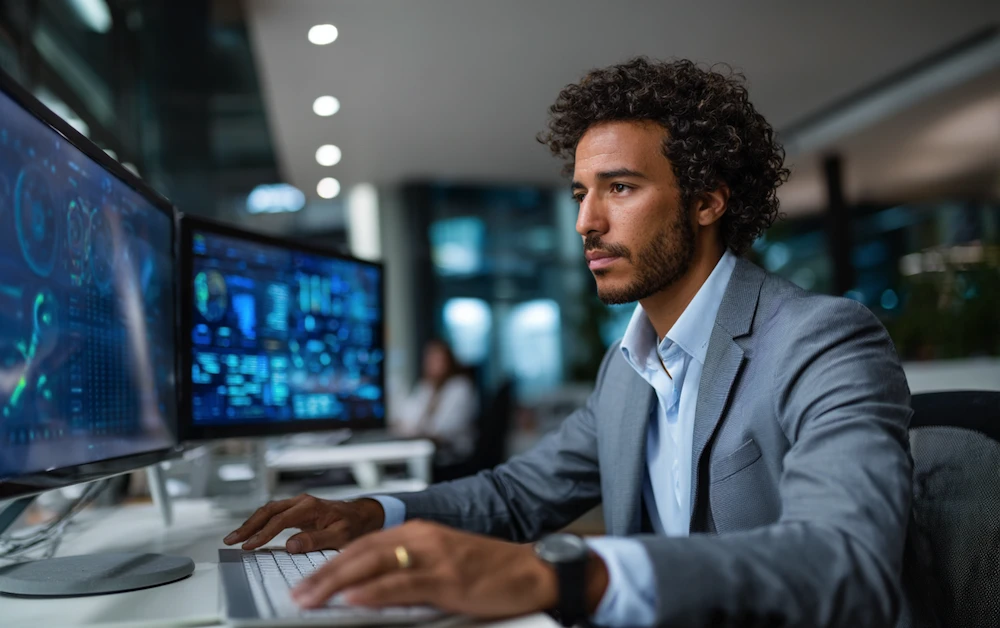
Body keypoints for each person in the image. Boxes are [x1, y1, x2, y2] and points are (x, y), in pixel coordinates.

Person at [224, 58, 913, 628]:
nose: (586, 221)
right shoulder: (632, 366)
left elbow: (847, 562)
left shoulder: (821, 340)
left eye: (620, 187)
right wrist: (372, 512)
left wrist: (569, 574)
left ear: (707, 202)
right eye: (581, 192)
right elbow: (517, 495)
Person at [388, 338, 478, 466]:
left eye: (438, 359)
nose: (432, 364)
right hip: (430, 453)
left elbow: (443, 431)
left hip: (454, 457)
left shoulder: (460, 387)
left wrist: (415, 430)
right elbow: (406, 418)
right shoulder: (425, 387)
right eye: (429, 359)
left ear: (449, 361)